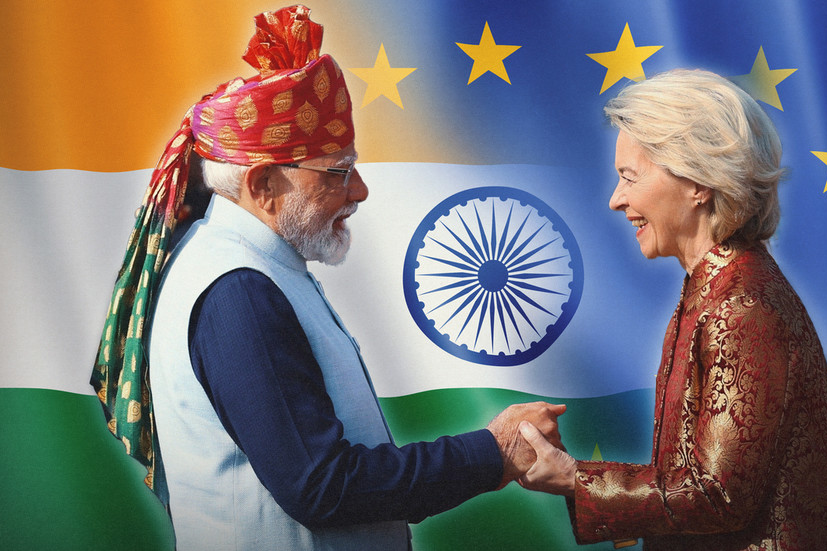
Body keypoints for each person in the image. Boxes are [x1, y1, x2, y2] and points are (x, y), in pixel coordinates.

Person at [90, 6, 564, 550]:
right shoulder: (237, 290)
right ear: (264, 184)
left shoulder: (247, 265)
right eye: (338, 172)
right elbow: (321, 485)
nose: (359, 191)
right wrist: (492, 451)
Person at [515, 69, 827, 550]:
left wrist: (577, 479)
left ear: (699, 182)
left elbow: (718, 494)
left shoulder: (740, 306)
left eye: (629, 177)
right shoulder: (719, 287)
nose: (616, 199)